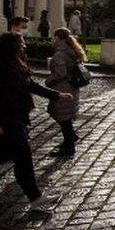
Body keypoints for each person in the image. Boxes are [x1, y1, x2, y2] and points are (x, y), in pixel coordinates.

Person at [0, 33, 73, 209]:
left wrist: (56, 95)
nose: (24, 45)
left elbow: (31, 85)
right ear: (11, 46)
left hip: (14, 117)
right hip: (3, 121)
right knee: (23, 158)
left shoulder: (15, 63)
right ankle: (35, 198)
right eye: (21, 43)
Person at [45, 28, 85, 158]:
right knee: (63, 116)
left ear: (58, 38)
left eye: (54, 37)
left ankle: (69, 147)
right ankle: (70, 139)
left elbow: (60, 73)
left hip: (63, 88)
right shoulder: (71, 49)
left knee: (63, 118)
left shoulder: (60, 54)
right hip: (71, 87)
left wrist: (48, 81)